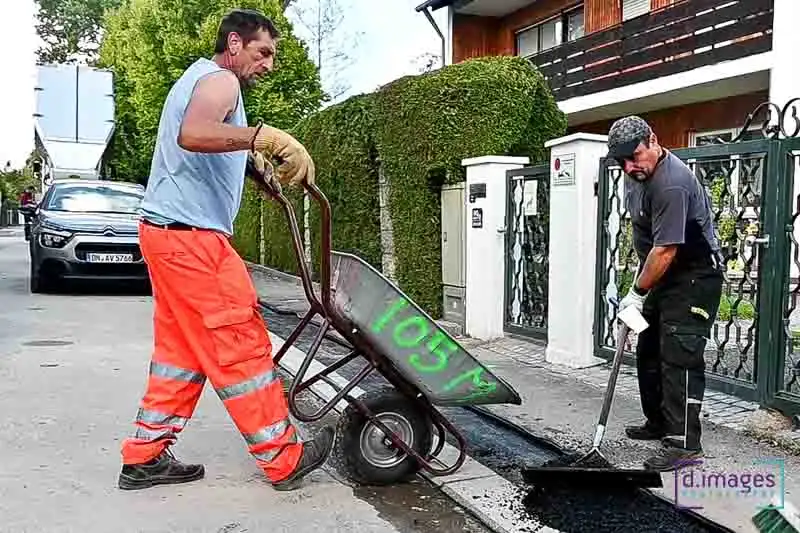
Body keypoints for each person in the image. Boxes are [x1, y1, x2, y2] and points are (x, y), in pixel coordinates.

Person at [118, 8, 332, 492]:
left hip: (167, 236)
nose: (269, 64)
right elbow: (193, 135)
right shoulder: (221, 83)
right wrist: (263, 135)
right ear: (234, 44)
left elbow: (203, 144)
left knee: (182, 354)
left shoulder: (198, 79)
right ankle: (283, 458)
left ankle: (145, 456)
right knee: (241, 341)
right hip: (192, 241)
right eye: (263, 53)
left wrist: (253, 166)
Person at [607, 116, 724, 472]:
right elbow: (648, 241)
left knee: (680, 355)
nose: (630, 166)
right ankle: (658, 421)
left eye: (635, 156)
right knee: (648, 348)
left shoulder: (672, 183)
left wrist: (636, 292)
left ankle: (685, 443)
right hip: (662, 275)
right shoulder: (635, 176)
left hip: (693, 276)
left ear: (653, 140)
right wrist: (644, 288)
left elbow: (667, 250)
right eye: (622, 161)